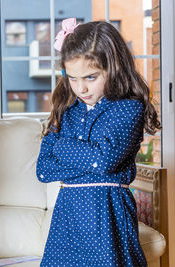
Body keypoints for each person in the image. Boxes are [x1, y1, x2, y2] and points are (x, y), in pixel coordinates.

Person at [36, 18, 161, 266]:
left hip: (107, 215)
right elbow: (43, 169)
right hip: (67, 216)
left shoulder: (127, 109)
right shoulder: (66, 110)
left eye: (90, 77)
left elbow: (104, 161)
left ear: (113, 68)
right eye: (72, 78)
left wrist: (60, 146)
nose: (81, 88)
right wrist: (90, 158)